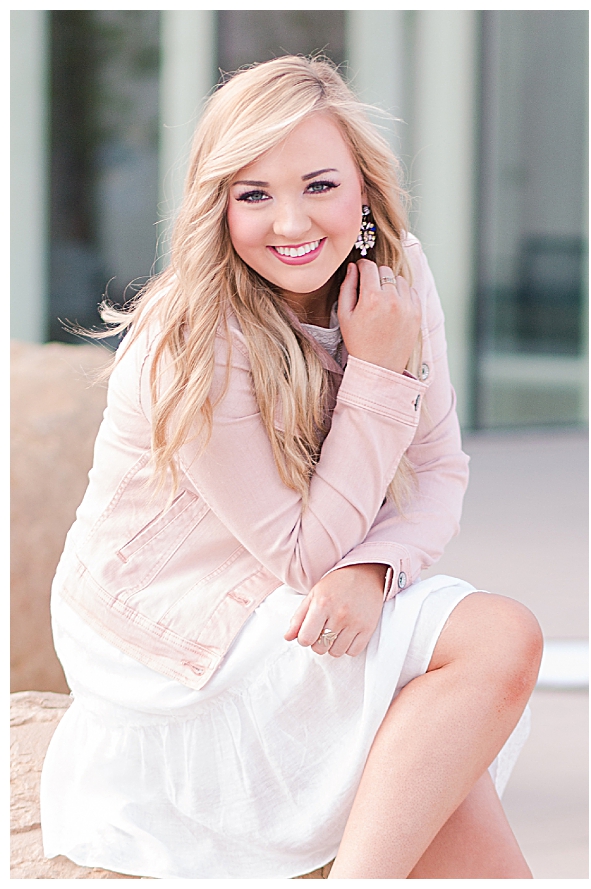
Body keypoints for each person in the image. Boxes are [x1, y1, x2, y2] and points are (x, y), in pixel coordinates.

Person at [39, 56, 542, 879]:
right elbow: (302, 557)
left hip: (304, 583)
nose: (290, 222)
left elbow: (442, 469)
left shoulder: (399, 275)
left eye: (318, 185)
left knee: (471, 830)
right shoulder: (192, 336)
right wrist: (378, 374)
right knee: (497, 637)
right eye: (254, 194)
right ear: (218, 205)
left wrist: (376, 568)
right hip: (169, 634)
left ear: (363, 193)